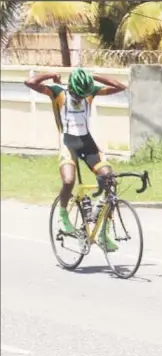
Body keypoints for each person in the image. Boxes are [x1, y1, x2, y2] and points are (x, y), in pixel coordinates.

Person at [24, 67, 127, 252]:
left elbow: (120, 86)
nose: (81, 99)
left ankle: (103, 230)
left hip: (87, 144)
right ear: (70, 88)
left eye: (84, 95)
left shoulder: (90, 92)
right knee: (69, 180)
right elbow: (30, 82)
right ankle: (63, 214)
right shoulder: (58, 93)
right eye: (78, 95)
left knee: (110, 179)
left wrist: (93, 76)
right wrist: (51, 75)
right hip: (68, 144)